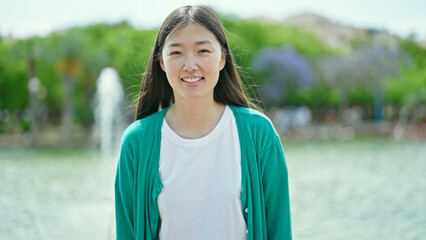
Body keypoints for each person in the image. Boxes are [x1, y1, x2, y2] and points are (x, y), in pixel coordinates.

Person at [115, 5, 291, 240]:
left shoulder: (259, 134)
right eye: (176, 52)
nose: (190, 65)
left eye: (203, 51)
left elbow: (279, 229)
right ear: (161, 61)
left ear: (222, 58)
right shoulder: (136, 142)